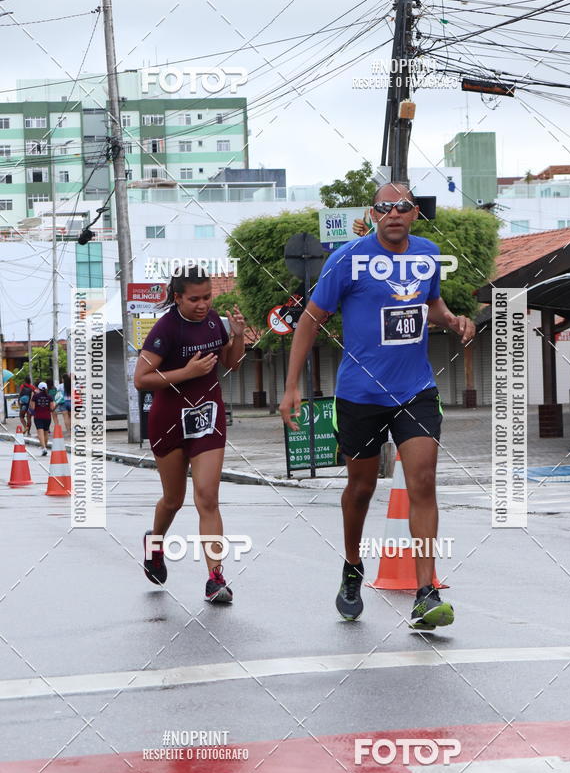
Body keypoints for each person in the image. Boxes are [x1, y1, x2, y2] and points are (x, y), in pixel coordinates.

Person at [280, 183, 475, 631]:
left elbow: (432, 304)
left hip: (415, 389)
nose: (394, 213)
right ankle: (352, 566)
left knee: (423, 479)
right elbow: (310, 319)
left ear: (413, 215)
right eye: (385, 207)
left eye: (403, 206)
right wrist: (291, 387)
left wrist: (452, 319)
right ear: (373, 214)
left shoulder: (426, 253)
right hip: (360, 394)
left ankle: (425, 593)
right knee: (362, 488)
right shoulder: (347, 259)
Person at [133, 266, 246, 601]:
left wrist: (237, 335)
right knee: (173, 500)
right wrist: (186, 372)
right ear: (178, 297)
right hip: (168, 420)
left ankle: (216, 579)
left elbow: (232, 363)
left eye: (207, 297)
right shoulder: (165, 329)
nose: (202, 304)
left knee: (207, 498)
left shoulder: (214, 322)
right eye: (194, 299)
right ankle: (155, 545)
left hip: (207, 418)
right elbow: (141, 379)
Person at [30, 381, 55, 455]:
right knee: (46, 432)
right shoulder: (49, 396)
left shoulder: (35, 396)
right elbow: (52, 408)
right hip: (47, 417)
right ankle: (45, 447)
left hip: (38, 416)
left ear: (38, 388)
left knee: (40, 433)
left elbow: (33, 408)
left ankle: (44, 448)